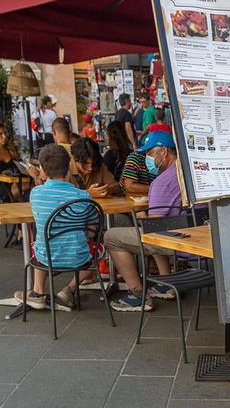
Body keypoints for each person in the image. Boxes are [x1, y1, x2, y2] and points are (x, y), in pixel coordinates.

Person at [13, 144, 95, 312]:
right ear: (69, 166)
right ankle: (69, 289)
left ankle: (38, 292)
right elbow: (93, 229)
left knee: (41, 241)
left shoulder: (35, 193)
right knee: (101, 248)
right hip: (79, 257)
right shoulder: (83, 196)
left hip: (46, 257)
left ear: (42, 169)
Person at [106, 139, 183, 312]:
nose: (147, 159)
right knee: (153, 228)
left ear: (163, 152)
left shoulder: (161, 182)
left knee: (111, 237)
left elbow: (153, 229)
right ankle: (166, 284)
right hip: (195, 239)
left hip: (175, 242)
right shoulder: (190, 172)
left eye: (149, 154)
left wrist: (141, 216)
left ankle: (138, 296)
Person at [120, 128, 169, 196]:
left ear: (163, 152)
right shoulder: (135, 157)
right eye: (146, 151)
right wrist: (158, 190)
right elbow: (129, 186)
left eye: (150, 152)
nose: (147, 154)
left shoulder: (168, 164)